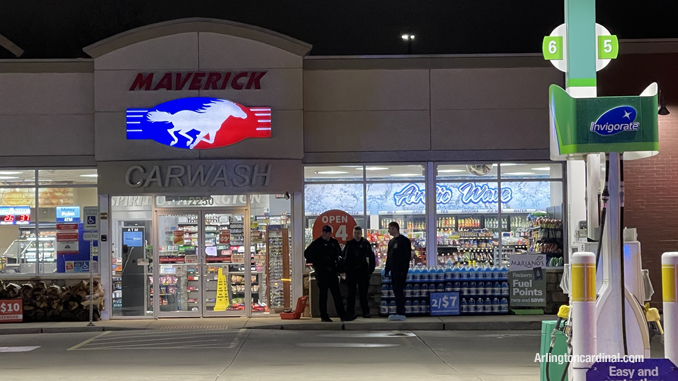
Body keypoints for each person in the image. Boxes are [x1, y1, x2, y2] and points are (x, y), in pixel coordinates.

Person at [304, 225, 347, 322]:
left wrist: (341, 270)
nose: (324, 234)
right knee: (323, 295)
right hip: (322, 272)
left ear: (330, 233)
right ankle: (324, 315)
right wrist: (316, 264)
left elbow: (339, 257)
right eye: (323, 232)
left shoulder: (333, 243)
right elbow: (307, 253)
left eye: (326, 232)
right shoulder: (317, 243)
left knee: (337, 294)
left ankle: (342, 315)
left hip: (332, 272)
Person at [342, 226, 376, 319]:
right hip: (351, 272)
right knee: (351, 294)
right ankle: (350, 312)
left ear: (361, 234)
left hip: (363, 272)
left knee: (363, 294)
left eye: (358, 233)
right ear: (353, 234)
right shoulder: (349, 244)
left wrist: (370, 271)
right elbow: (344, 258)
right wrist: (345, 270)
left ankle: (365, 312)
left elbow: (372, 258)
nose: (357, 235)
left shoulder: (365, 244)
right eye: (355, 233)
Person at [384, 221, 412, 321]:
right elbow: (389, 257)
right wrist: (387, 269)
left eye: (390, 228)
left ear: (395, 228)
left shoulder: (404, 241)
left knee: (399, 290)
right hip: (393, 271)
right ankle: (398, 310)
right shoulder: (391, 242)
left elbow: (407, 257)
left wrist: (404, 270)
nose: (388, 230)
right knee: (396, 291)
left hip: (401, 271)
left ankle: (401, 311)